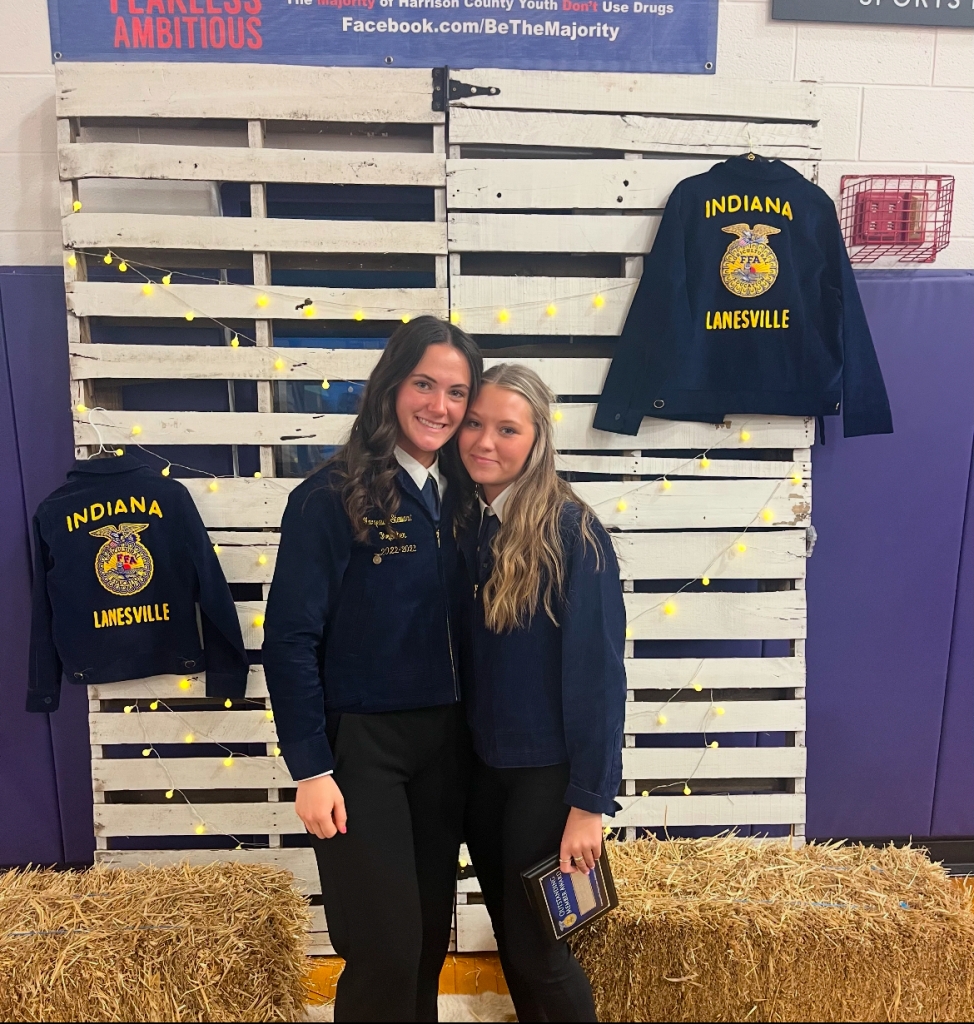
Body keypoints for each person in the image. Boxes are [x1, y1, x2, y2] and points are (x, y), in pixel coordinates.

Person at [262, 316, 482, 1023]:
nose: (439, 407)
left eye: (456, 391)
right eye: (424, 384)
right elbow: (289, 639)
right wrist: (311, 767)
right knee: (383, 948)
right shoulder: (328, 497)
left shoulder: (467, 498)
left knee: (423, 945)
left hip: (445, 749)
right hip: (363, 754)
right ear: (391, 385)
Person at [454, 363, 627, 1023]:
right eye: (475, 423)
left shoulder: (573, 534)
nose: (485, 441)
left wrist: (587, 804)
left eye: (506, 428)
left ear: (537, 440)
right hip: (485, 774)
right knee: (514, 944)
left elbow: (600, 677)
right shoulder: (470, 527)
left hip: (546, 780)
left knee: (541, 952)